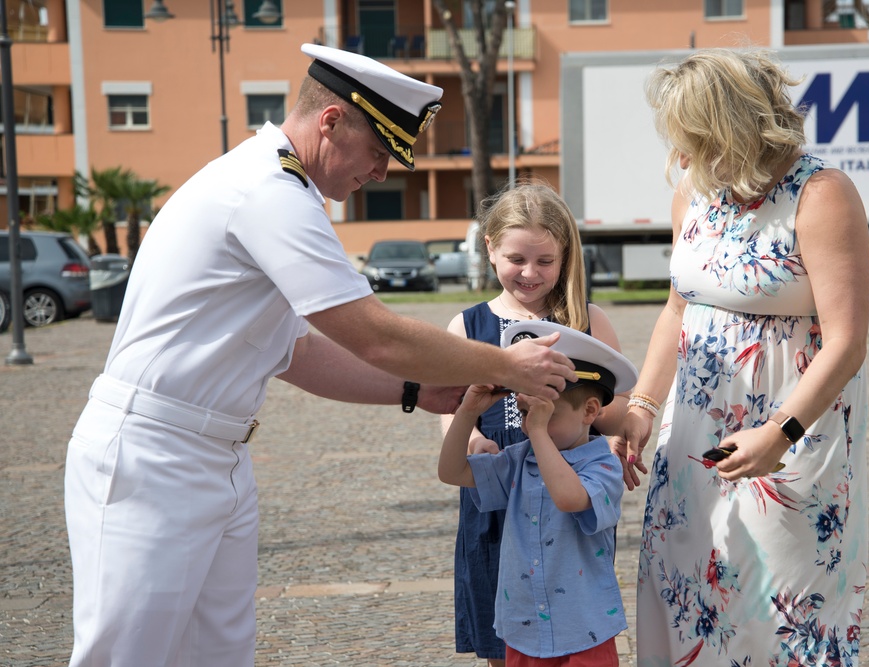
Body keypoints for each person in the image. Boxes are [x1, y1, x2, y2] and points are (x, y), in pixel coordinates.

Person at [63, 45, 577, 667]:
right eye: (380, 151)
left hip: (211, 455)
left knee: (216, 656)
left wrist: (413, 391)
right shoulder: (268, 191)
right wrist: (503, 364)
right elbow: (371, 332)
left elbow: (295, 352)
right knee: (127, 656)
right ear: (331, 122)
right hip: (155, 453)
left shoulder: (283, 190)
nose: (384, 172)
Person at [612, 48, 869, 665]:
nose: (682, 154)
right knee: (688, 589)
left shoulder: (821, 193)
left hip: (792, 435)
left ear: (735, 126)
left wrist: (781, 433)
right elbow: (678, 310)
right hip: (694, 436)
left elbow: (847, 340)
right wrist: (643, 405)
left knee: (780, 608)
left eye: (694, 137)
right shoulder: (693, 192)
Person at [440, 182, 628, 665]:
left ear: (565, 256)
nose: (529, 273)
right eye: (516, 259)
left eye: (545, 261)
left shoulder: (588, 320)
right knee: (504, 641)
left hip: (565, 490)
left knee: (569, 624)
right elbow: (448, 405)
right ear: (489, 248)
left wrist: (605, 426)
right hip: (498, 491)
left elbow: (617, 407)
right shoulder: (467, 328)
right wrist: (472, 434)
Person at [439, 320, 639, 667]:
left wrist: (538, 432)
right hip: (524, 629)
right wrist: (468, 410)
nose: (529, 424)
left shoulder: (603, 467)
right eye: (526, 413)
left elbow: (569, 497)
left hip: (584, 630)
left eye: (547, 415)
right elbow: (451, 471)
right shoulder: (520, 459)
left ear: (590, 411)